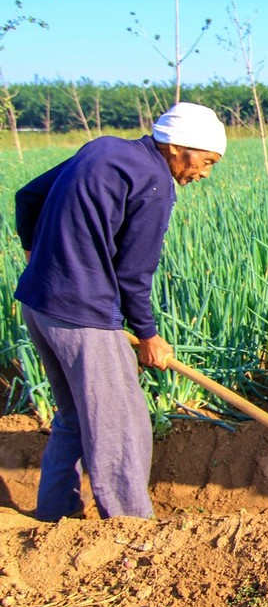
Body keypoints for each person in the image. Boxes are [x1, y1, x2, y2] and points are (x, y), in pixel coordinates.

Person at [14, 102, 226, 521]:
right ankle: (131, 527)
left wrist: (35, 255)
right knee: (122, 426)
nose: (204, 174)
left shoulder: (102, 149)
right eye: (206, 161)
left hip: (39, 307)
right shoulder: (154, 183)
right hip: (84, 318)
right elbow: (134, 273)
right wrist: (148, 335)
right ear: (177, 147)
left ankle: (55, 515)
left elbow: (28, 196)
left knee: (74, 417)